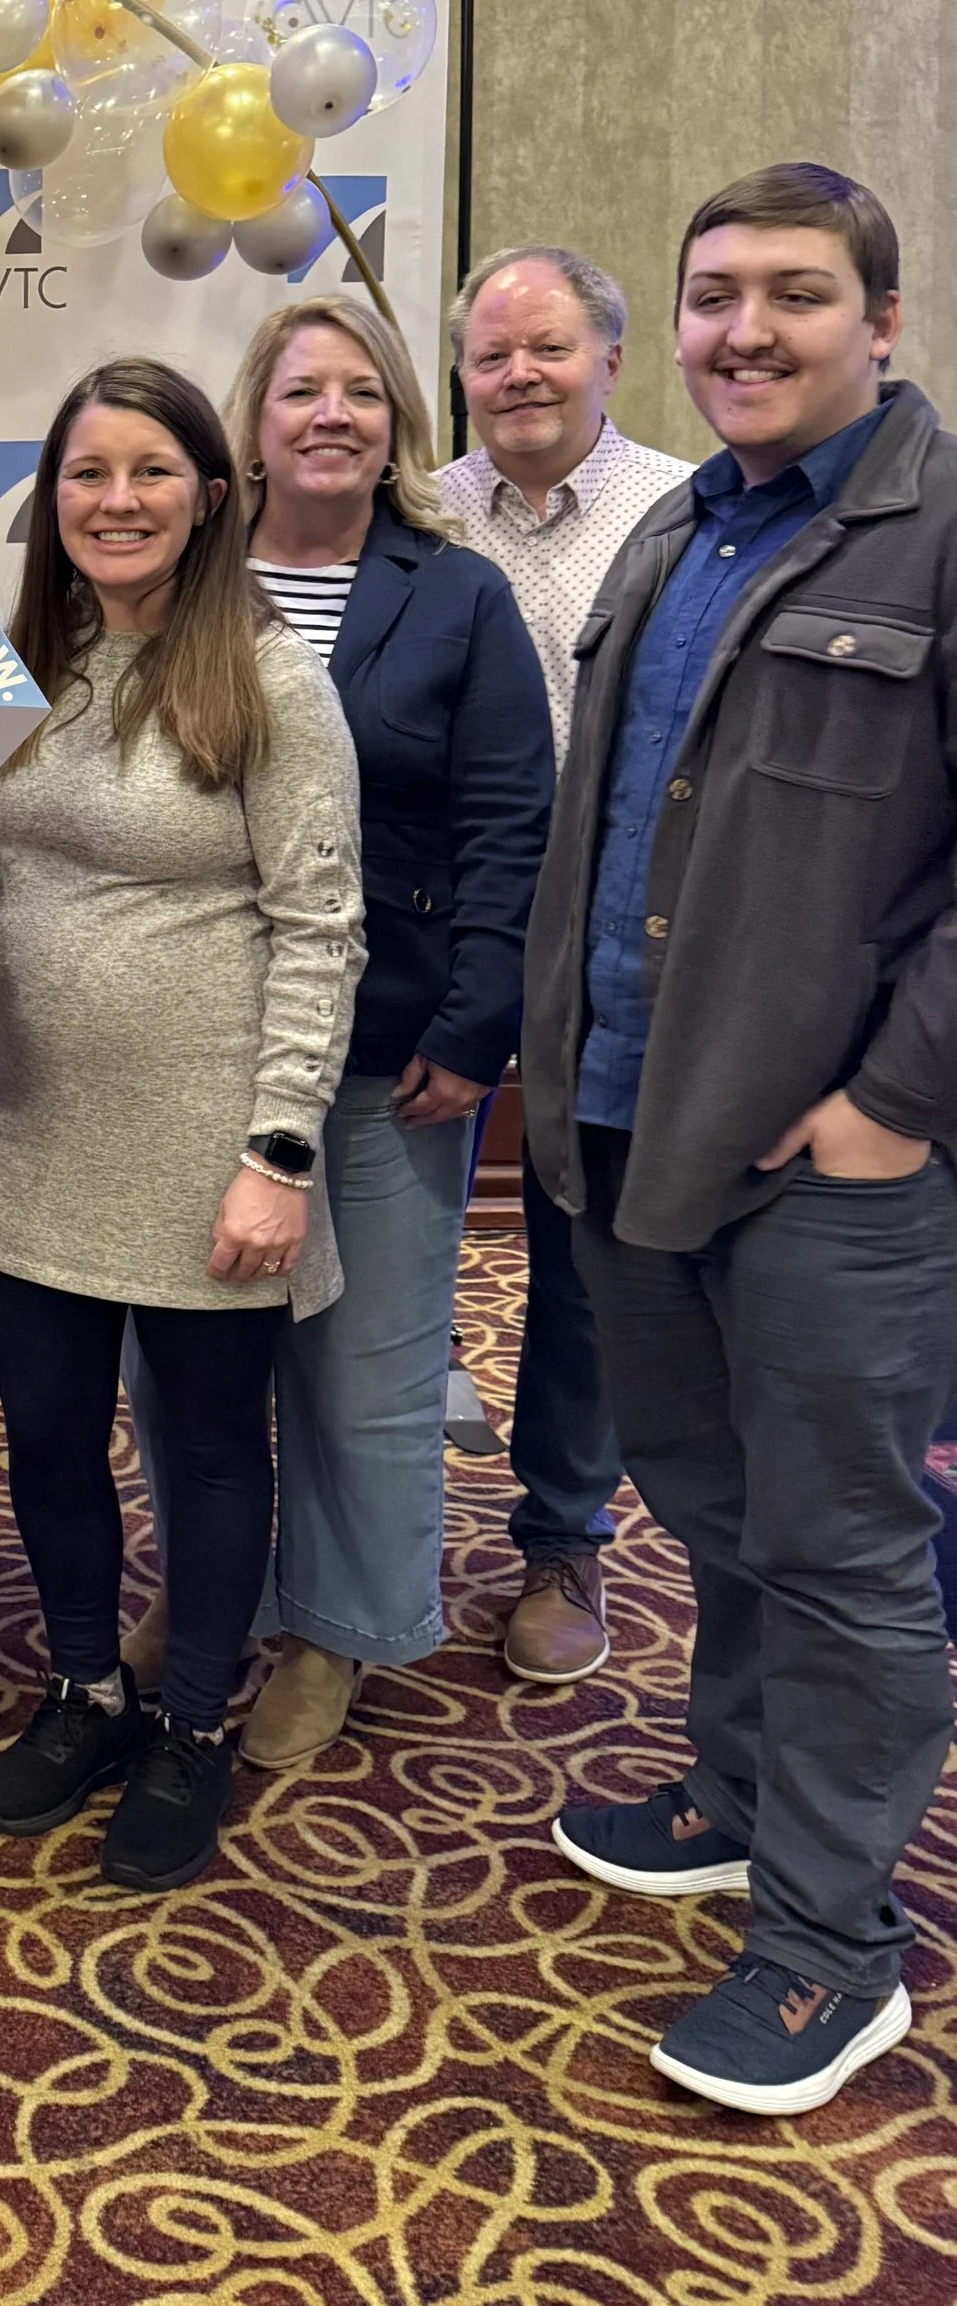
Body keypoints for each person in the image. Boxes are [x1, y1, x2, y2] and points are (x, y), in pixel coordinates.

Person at [528, 163, 957, 2118]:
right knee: (707, 1507)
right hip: (628, 1129)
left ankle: (826, 1943)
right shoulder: (676, 530)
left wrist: (891, 1101)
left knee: (840, 1541)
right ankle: (736, 1787)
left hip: (830, 1165)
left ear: (878, 320)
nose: (743, 332)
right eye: (712, 296)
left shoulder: (933, 532)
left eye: (792, 294)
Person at [0, 362, 364, 1892]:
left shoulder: (271, 679)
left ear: (210, 492)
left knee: (205, 1449)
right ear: (51, 503)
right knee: (49, 1441)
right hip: (38, 1133)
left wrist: (278, 1154)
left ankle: (194, 1720)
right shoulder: (23, 665)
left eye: (148, 472)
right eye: (84, 475)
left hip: (214, 1146)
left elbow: (322, 926)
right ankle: (86, 1690)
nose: (114, 502)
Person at [178, 298, 551, 1768]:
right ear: (252, 421)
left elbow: (512, 823)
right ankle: (224, 1595)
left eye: (362, 393)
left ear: (398, 420)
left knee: (369, 1368)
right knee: (198, 1361)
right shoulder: (190, 586)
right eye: (299, 391)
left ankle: (343, 1629)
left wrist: (476, 1025)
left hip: (396, 1048)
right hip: (200, 1047)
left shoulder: (456, 594)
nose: (331, 415)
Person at [437, 248, 693, 1683]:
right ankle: (366, 1535)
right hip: (446, 932)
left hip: (612, 942)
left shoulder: (685, 511)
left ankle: (562, 1535)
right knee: (395, 1243)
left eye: (547, 349)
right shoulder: (422, 512)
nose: (518, 376)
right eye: (491, 355)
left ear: (611, 358)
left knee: (579, 1255)